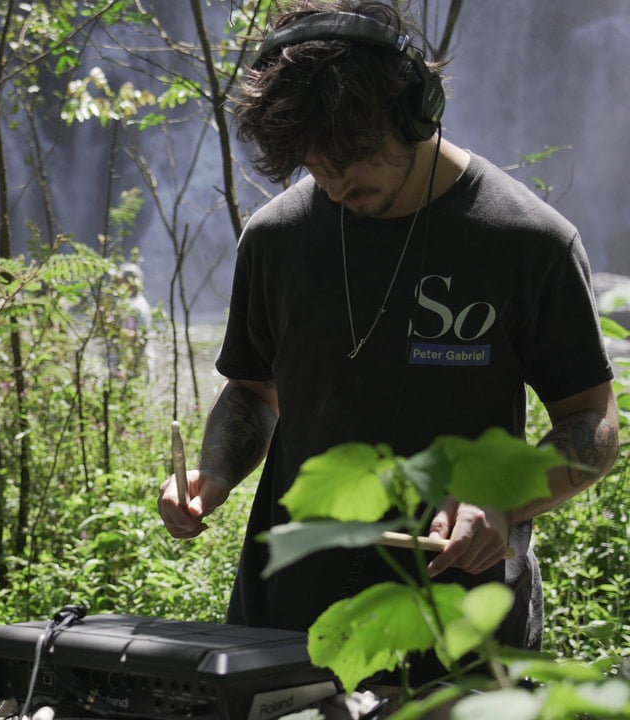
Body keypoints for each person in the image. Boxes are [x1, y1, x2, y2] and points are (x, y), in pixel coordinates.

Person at [158, 0, 619, 686]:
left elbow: (592, 423)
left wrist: (504, 505)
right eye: (317, 167)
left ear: (417, 110)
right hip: (287, 624)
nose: (340, 187)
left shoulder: (529, 243)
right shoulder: (276, 239)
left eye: (358, 160)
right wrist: (213, 475)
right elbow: (254, 390)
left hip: (461, 620)